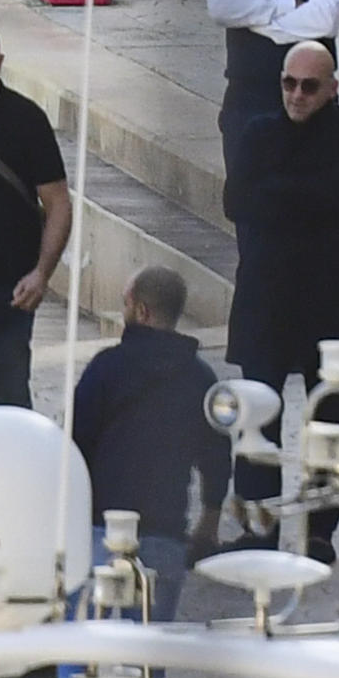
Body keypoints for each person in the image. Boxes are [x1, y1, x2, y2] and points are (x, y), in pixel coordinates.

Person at [222, 40, 339, 563]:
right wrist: (301, 194)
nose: (297, 95)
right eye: (289, 83)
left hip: (329, 306)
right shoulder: (258, 131)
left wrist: (277, 192)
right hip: (267, 300)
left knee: (329, 422)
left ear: (332, 88)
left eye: (310, 86)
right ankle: (259, 524)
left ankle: (320, 531)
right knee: (256, 417)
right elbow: (235, 200)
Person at [72, 266, 231, 623]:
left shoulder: (107, 368)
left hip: (101, 527)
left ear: (141, 311)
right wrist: (209, 520)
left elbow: (77, 443)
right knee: (150, 648)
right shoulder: (200, 378)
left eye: (126, 303)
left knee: (78, 647)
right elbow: (216, 457)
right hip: (165, 530)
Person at [207, 0, 339, 171]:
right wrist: (290, 5)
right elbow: (219, 7)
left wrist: (251, 20)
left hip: (308, 99)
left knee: (308, 196)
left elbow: (324, 20)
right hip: (248, 97)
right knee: (244, 198)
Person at [0, 29, 73, 408]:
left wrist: (42, 273)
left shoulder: (26, 121)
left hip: (9, 291)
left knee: (9, 398)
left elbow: (58, 202)